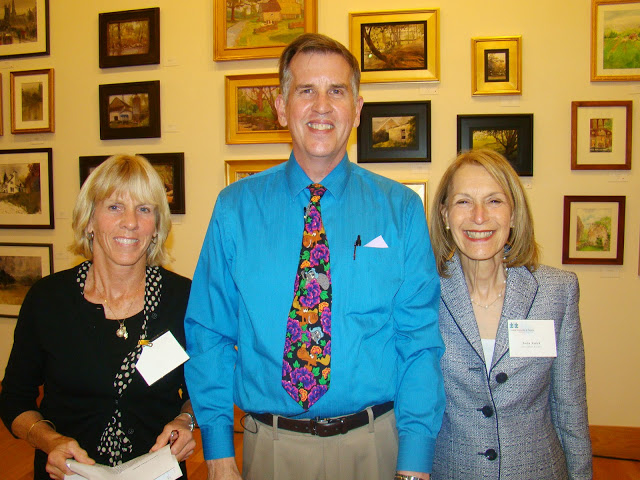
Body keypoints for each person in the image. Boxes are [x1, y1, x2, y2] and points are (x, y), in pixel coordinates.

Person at [184, 33, 444, 480]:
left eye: (336, 91)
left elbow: (418, 343)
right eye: (306, 90)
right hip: (270, 449)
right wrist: (217, 447)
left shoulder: (400, 210)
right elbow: (209, 332)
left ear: (357, 110)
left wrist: (416, 462)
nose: (322, 106)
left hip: (376, 447)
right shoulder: (234, 210)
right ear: (282, 106)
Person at [0, 154, 196, 480]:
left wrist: (184, 423)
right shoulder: (48, 300)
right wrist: (50, 440)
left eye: (144, 209)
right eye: (115, 207)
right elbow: (13, 399)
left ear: (157, 226)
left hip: (158, 472)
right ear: (89, 220)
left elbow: (200, 390)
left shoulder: (183, 299)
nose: (131, 222)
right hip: (69, 473)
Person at [429, 149, 592, 479]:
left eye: (494, 201)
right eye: (463, 202)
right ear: (445, 215)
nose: (478, 216)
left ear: (514, 213)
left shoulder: (556, 291)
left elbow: (570, 408)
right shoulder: (422, 294)